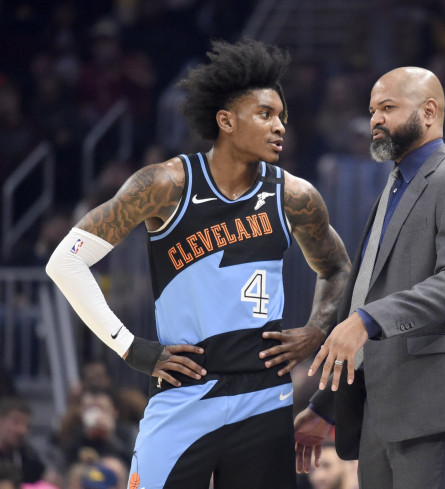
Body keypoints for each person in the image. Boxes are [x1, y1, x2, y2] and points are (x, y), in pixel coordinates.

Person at [46, 38, 350, 489]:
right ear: (225, 121)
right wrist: (132, 348)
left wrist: (319, 327)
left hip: (264, 397)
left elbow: (338, 268)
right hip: (185, 392)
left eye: (282, 117)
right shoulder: (165, 184)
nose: (280, 126)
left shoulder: (294, 195)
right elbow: (65, 262)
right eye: (266, 114)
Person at [294, 66, 445, 489]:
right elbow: (361, 297)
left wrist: (369, 320)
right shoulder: (392, 190)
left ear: (429, 112)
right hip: (381, 413)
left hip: (437, 407)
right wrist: (326, 406)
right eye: (372, 110)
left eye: (388, 107)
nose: (375, 119)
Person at [0, 398, 47, 484]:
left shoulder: (29, 457)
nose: (22, 430)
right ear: (1, 421)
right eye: (16, 423)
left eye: (27, 425)